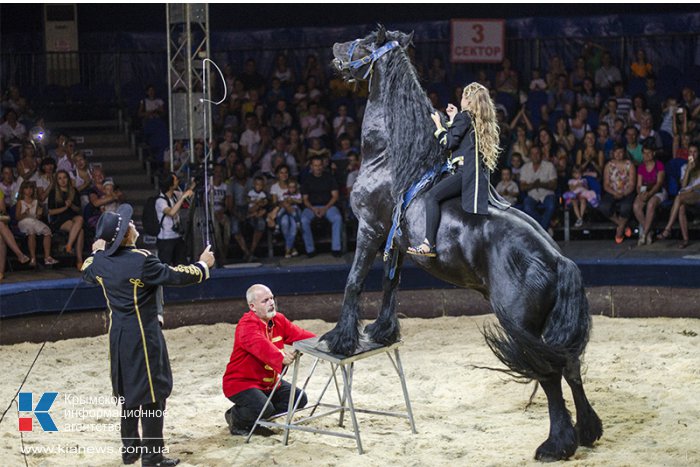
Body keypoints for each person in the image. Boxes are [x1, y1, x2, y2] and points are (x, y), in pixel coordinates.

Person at [82, 204, 215, 466]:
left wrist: (98, 250)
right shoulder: (142, 260)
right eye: (129, 225)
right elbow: (176, 276)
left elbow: (86, 267)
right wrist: (203, 265)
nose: (133, 225)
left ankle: (130, 450)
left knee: (129, 392)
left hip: (118, 335)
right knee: (154, 394)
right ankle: (152, 456)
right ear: (124, 236)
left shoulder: (99, 263)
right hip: (143, 335)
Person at [407, 82, 499, 257]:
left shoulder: (465, 116)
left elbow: (448, 142)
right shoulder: (472, 119)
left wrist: (438, 125)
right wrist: (452, 119)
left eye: (464, 96)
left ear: (469, 100)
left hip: (464, 173)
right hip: (472, 173)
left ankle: (428, 244)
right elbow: (460, 138)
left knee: (431, 197)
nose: (461, 99)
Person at [222, 284, 315, 436]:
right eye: (265, 300)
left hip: (269, 383)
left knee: (299, 399)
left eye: (272, 298)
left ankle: (255, 414)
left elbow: (299, 334)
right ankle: (237, 419)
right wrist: (281, 357)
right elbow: (260, 346)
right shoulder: (246, 325)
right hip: (242, 383)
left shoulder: (277, 320)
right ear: (252, 306)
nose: (271, 302)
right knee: (263, 408)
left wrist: (325, 342)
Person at [656, 143, 700, 248]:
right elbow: (683, 185)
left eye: (695, 152)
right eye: (690, 152)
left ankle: (668, 229)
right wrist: (688, 170)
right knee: (681, 207)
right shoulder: (685, 166)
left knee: (679, 198)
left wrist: (690, 190)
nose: (692, 155)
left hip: (697, 193)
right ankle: (685, 240)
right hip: (688, 195)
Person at [301, 156, 343, 258]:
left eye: (319, 165)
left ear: (323, 166)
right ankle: (310, 250)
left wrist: (325, 208)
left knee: (337, 218)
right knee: (303, 220)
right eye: (315, 165)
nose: (318, 168)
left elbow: (335, 196)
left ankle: (336, 248)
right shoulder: (307, 179)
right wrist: (313, 209)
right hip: (311, 207)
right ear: (311, 166)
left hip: (328, 206)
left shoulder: (329, 177)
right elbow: (305, 199)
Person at [598, 144, 637, 244]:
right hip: (612, 192)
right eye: (616, 152)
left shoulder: (630, 164)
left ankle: (619, 231)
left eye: (620, 152)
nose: (618, 154)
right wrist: (614, 193)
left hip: (627, 192)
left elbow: (632, 184)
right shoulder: (609, 165)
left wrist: (623, 194)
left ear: (624, 153)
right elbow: (606, 184)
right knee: (603, 206)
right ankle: (623, 225)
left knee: (626, 207)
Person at [47, 169, 84, 269]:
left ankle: (68, 245)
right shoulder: (53, 192)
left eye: (64, 177)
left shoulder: (74, 190)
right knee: (80, 231)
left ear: (68, 179)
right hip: (59, 219)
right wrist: (65, 207)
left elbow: (78, 209)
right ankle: (79, 260)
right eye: (60, 178)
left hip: (73, 217)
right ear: (57, 180)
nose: (62, 180)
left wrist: (71, 205)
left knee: (80, 219)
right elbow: (50, 211)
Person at [156, 172, 194, 266]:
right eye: (176, 180)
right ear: (170, 184)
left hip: (177, 237)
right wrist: (183, 198)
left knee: (182, 266)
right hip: (166, 240)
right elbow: (171, 212)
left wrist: (194, 184)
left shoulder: (174, 195)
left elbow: (187, 194)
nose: (178, 181)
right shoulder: (160, 201)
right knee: (166, 267)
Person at [15, 180, 57, 267]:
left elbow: (37, 216)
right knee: (31, 231)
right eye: (26, 188)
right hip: (24, 221)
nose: (29, 190)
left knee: (47, 230)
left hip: (34, 221)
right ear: (23, 190)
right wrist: (24, 214)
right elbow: (17, 217)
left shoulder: (36, 201)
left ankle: (47, 257)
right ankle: (33, 258)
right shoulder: (20, 202)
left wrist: (39, 214)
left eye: (31, 188)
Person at [520, 145, 558, 235]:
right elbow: (522, 187)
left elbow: (554, 185)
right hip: (532, 195)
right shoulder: (525, 167)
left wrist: (540, 184)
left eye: (537, 153)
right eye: (533, 154)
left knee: (551, 206)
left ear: (541, 155)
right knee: (527, 207)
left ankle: (541, 232)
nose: (535, 156)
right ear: (530, 155)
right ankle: (545, 229)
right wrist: (534, 185)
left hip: (547, 194)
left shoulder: (549, 166)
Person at [633, 143, 667, 245]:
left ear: (654, 153)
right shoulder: (641, 167)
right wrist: (641, 194)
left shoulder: (659, 165)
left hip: (659, 191)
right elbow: (638, 185)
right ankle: (649, 231)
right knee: (636, 206)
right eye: (644, 153)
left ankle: (644, 235)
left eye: (649, 153)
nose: (646, 155)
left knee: (651, 204)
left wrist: (650, 194)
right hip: (645, 191)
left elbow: (659, 183)